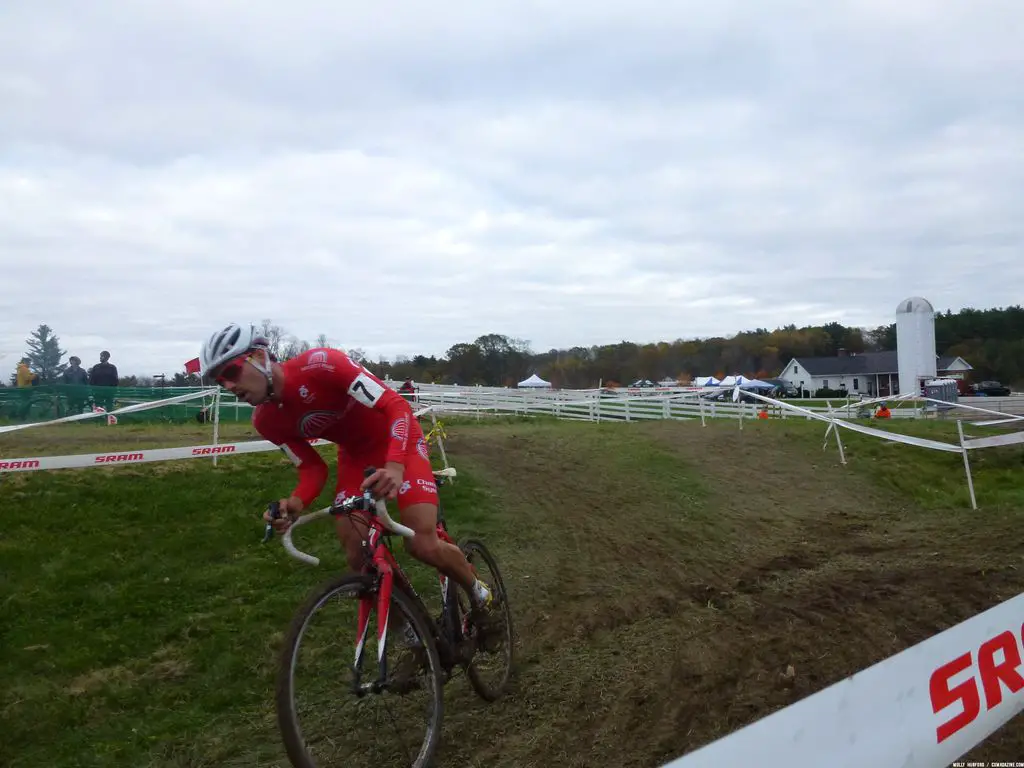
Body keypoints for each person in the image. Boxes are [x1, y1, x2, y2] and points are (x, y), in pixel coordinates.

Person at [197, 323, 495, 619]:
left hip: (398, 441)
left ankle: (477, 590)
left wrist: (394, 466)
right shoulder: (265, 421)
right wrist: (295, 503)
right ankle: (412, 631)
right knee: (357, 556)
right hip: (355, 457)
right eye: (219, 381)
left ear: (260, 357)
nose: (228, 387)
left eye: (231, 373)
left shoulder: (321, 365)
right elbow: (313, 468)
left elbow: (397, 407)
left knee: (421, 543)